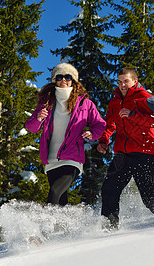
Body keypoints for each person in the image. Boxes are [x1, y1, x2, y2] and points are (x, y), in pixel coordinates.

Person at [97, 67, 154, 231]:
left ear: (135, 82)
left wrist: (133, 115)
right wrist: (104, 140)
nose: (122, 85)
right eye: (120, 81)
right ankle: (109, 229)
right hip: (122, 153)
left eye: (126, 81)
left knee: (149, 197)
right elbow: (110, 123)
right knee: (109, 190)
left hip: (145, 152)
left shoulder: (146, 98)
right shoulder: (115, 101)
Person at [25, 63, 106, 206]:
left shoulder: (85, 104)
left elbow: (100, 124)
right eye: (59, 77)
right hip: (51, 158)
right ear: (54, 80)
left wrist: (92, 133)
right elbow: (31, 127)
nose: (64, 80)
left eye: (68, 77)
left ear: (73, 80)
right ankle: (63, 227)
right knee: (60, 200)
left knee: (55, 192)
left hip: (72, 157)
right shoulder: (47, 103)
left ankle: (47, 226)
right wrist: (38, 118)